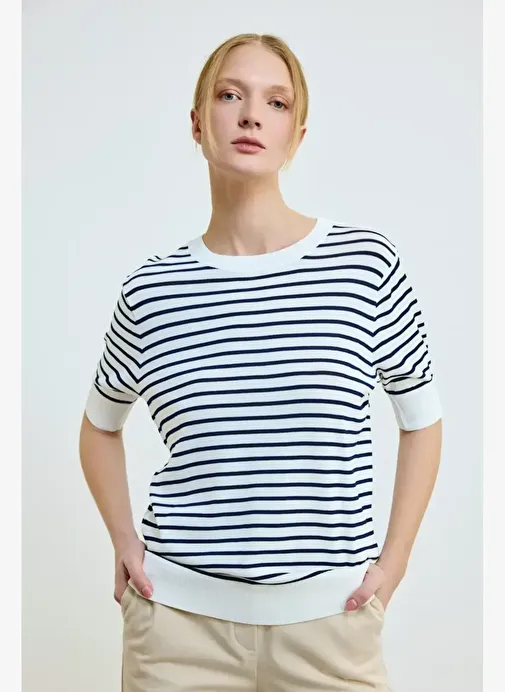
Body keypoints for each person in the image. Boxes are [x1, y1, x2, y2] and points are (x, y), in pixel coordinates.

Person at [79, 32, 443, 692]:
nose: (251, 115)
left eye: (276, 103)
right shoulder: (152, 290)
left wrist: (394, 564)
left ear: (296, 135)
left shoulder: (364, 266)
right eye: (230, 96)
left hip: (332, 629)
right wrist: (125, 542)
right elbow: (99, 427)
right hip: (176, 633)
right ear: (197, 123)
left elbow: (422, 420)